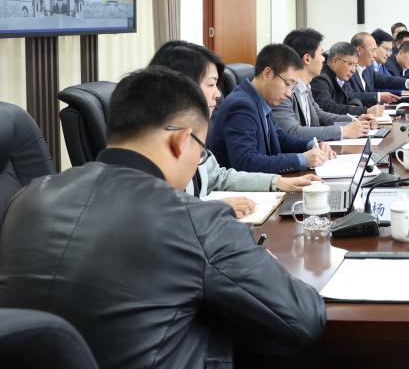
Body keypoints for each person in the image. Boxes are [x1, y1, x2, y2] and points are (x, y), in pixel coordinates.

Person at [0, 67, 325, 367]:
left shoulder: (29, 196)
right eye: (201, 149)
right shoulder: (196, 221)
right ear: (181, 140)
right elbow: (304, 317)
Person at [149, 41, 319, 218]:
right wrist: (211, 208)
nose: (218, 94)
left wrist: (276, 181)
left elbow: (218, 176)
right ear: (181, 86)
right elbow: (162, 213)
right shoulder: (155, 146)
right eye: (211, 84)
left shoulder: (189, 134)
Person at [207, 44, 336, 174]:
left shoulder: (259, 99)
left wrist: (312, 144)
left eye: (292, 86)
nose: (289, 93)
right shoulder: (241, 106)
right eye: (288, 84)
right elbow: (246, 162)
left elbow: (280, 137)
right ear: (267, 74)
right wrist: (301, 160)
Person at [275, 28, 374, 140]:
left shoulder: (306, 85)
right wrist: (343, 131)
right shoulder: (284, 90)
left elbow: (319, 114)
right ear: (307, 59)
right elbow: (292, 132)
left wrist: (354, 120)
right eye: (321, 54)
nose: (323, 59)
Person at [348, 31, 409, 105]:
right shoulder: (346, 69)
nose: (375, 55)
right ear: (359, 50)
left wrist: (408, 82)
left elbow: (385, 80)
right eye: (373, 50)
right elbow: (349, 96)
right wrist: (378, 97)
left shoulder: (367, 69)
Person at [370, 28, 404, 96]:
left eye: (390, 51)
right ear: (375, 46)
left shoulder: (381, 65)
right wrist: (404, 92)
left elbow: (391, 83)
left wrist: (408, 86)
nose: (388, 55)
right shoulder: (366, 65)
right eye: (386, 49)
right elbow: (374, 89)